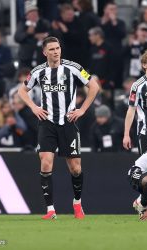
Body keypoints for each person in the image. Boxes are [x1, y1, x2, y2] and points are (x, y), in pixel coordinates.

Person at [18, 36, 99, 220]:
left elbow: (93, 86)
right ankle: (50, 210)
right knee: (46, 162)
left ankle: (77, 203)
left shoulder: (73, 67)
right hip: (47, 123)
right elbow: (21, 90)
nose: (56, 52)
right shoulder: (38, 71)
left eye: (58, 48)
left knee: (75, 169)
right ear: (44, 52)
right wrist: (34, 107)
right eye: (52, 49)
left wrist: (82, 110)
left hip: (68, 122)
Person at [14, 3, 51, 68]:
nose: (34, 15)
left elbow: (52, 33)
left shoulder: (44, 23)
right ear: (27, 16)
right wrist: (28, 33)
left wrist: (44, 36)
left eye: (35, 12)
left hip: (42, 58)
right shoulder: (23, 24)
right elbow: (17, 38)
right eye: (31, 13)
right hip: (26, 58)